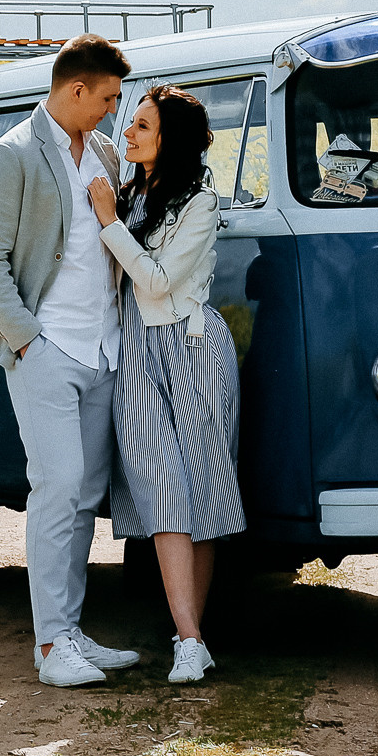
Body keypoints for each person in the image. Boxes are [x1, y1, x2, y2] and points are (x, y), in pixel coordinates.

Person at [0, 34, 144, 688]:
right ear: (76, 90)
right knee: (58, 485)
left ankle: (69, 632)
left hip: (103, 349)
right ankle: (48, 649)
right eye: (107, 99)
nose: (112, 113)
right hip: (46, 351)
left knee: (82, 496)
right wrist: (28, 343)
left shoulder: (100, 153)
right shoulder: (10, 155)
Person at [88, 85, 243, 684]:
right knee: (162, 493)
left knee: (196, 493)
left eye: (143, 128)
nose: (129, 134)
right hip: (137, 353)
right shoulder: (132, 194)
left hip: (190, 348)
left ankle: (190, 638)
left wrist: (108, 221)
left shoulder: (199, 202)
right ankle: (189, 638)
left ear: (169, 140)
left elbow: (154, 282)